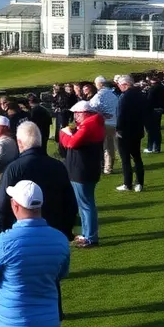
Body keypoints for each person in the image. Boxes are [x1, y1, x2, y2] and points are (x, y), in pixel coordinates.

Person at [0, 180, 71, 327]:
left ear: (15, 205)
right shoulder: (60, 239)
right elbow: (61, 272)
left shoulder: (5, 241)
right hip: (49, 325)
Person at [0, 122, 77, 238]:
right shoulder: (58, 166)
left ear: (19, 142)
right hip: (55, 233)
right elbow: (70, 204)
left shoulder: (13, 169)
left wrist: (5, 234)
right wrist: (66, 232)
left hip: (23, 235)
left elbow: (1, 206)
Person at [58, 101, 104, 248]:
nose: (75, 116)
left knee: (86, 205)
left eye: (78, 113)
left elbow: (71, 143)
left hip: (82, 171)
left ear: (86, 113)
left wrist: (63, 133)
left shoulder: (89, 125)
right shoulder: (92, 124)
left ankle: (90, 237)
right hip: (85, 169)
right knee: (85, 204)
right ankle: (87, 234)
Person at [113, 74, 148, 191]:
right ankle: (139, 183)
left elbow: (121, 114)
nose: (119, 87)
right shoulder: (141, 95)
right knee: (137, 157)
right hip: (137, 130)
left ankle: (127, 184)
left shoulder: (124, 97)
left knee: (125, 159)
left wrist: (118, 129)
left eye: (120, 85)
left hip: (125, 131)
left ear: (126, 85)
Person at [89, 77, 119, 174]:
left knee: (107, 147)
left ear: (100, 84)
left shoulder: (99, 95)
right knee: (114, 146)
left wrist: (100, 114)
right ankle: (112, 165)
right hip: (116, 122)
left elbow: (91, 108)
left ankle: (107, 168)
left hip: (106, 124)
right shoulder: (114, 93)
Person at [143, 74, 164, 154]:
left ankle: (150, 147)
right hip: (159, 109)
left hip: (153, 110)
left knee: (151, 130)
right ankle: (157, 148)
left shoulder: (153, 89)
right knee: (157, 129)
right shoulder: (163, 88)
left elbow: (149, 100)